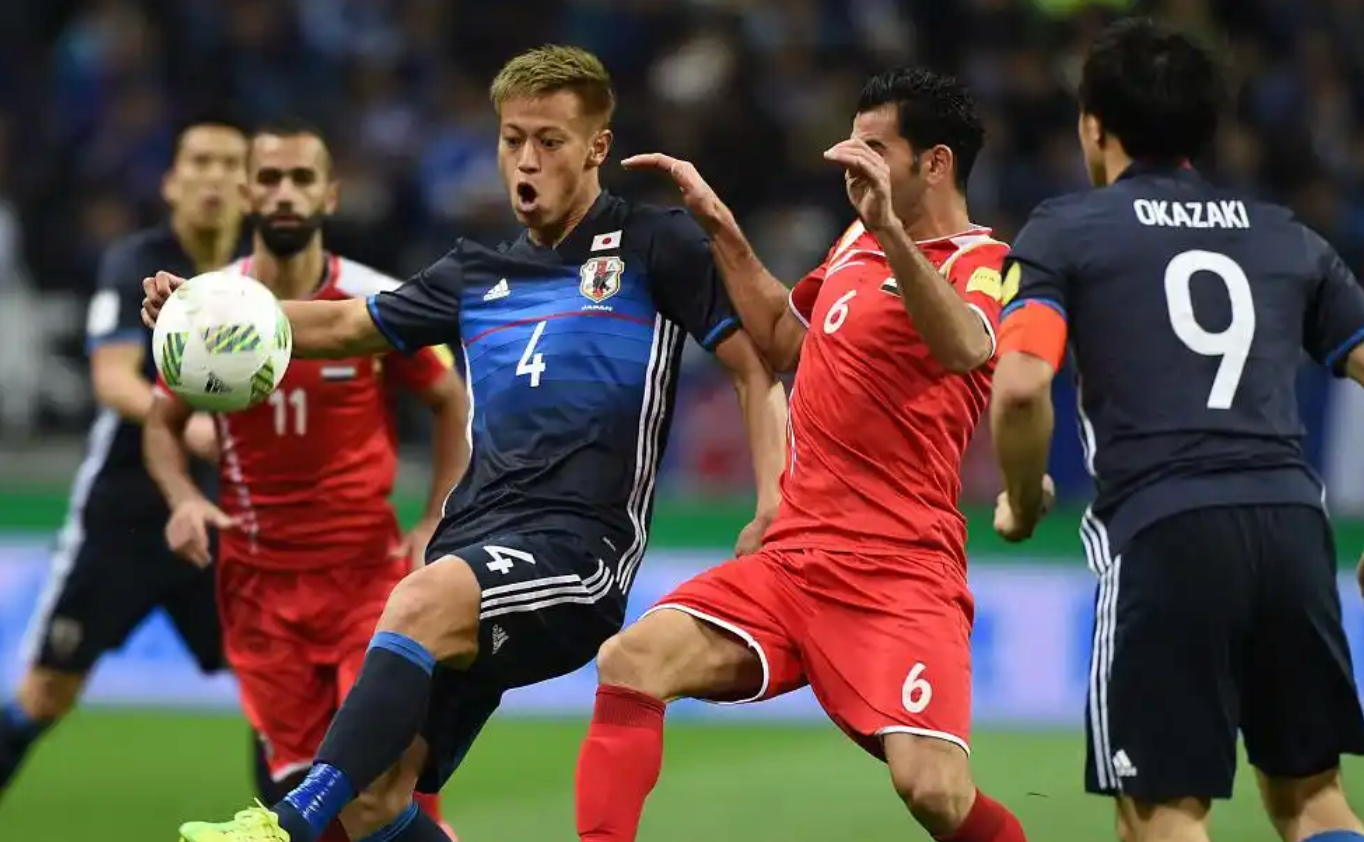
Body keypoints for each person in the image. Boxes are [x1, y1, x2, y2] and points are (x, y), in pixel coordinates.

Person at [144, 45, 787, 842]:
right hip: (475, 543)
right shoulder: (475, 270)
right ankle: (325, 813)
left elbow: (754, 372)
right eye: (512, 139)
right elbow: (343, 325)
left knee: (416, 599)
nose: (526, 160)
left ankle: (287, 826)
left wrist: (771, 503)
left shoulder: (655, 245)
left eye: (549, 141)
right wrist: (208, 309)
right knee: (377, 801)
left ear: (597, 147)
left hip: (578, 554)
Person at [573, 67, 1029, 842]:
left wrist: (891, 233)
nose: (852, 163)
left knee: (934, 792)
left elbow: (964, 347)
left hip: (898, 571)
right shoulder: (854, 240)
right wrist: (719, 224)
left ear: (936, 163)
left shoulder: (985, 259)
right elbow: (785, 337)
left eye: (874, 149)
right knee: (633, 658)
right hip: (793, 560)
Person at [990, 18, 1364, 842]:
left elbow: (1019, 388)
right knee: (1313, 800)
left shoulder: (1065, 231)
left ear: (1094, 125)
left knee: (1161, 814)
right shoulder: (1288, 236)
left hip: (1166, 533)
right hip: (1294, 532)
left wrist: (1020, 497)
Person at [143, 123, 463, 840]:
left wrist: (434, 520)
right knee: (306, 809)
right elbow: (162, 422)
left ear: (330, 194)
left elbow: (450, 400)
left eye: (301, 178)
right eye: (270, 178)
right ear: (247, 192)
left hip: (367, 581)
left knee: (380, 789)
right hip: (258, 589)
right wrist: (184, 498)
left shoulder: (375, 300)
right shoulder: (211, 307)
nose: (285, 193)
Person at [0, 119, 246, 799]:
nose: (214, 176)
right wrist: (189, 422)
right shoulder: (137, 261)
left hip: (221, 520)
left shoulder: (257, 280)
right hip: (123, 515)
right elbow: (112, 379)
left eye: (230, 163)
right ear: (171, 181)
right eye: (199, 161)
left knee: (273, 685)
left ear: (250, 187)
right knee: (46, 694)